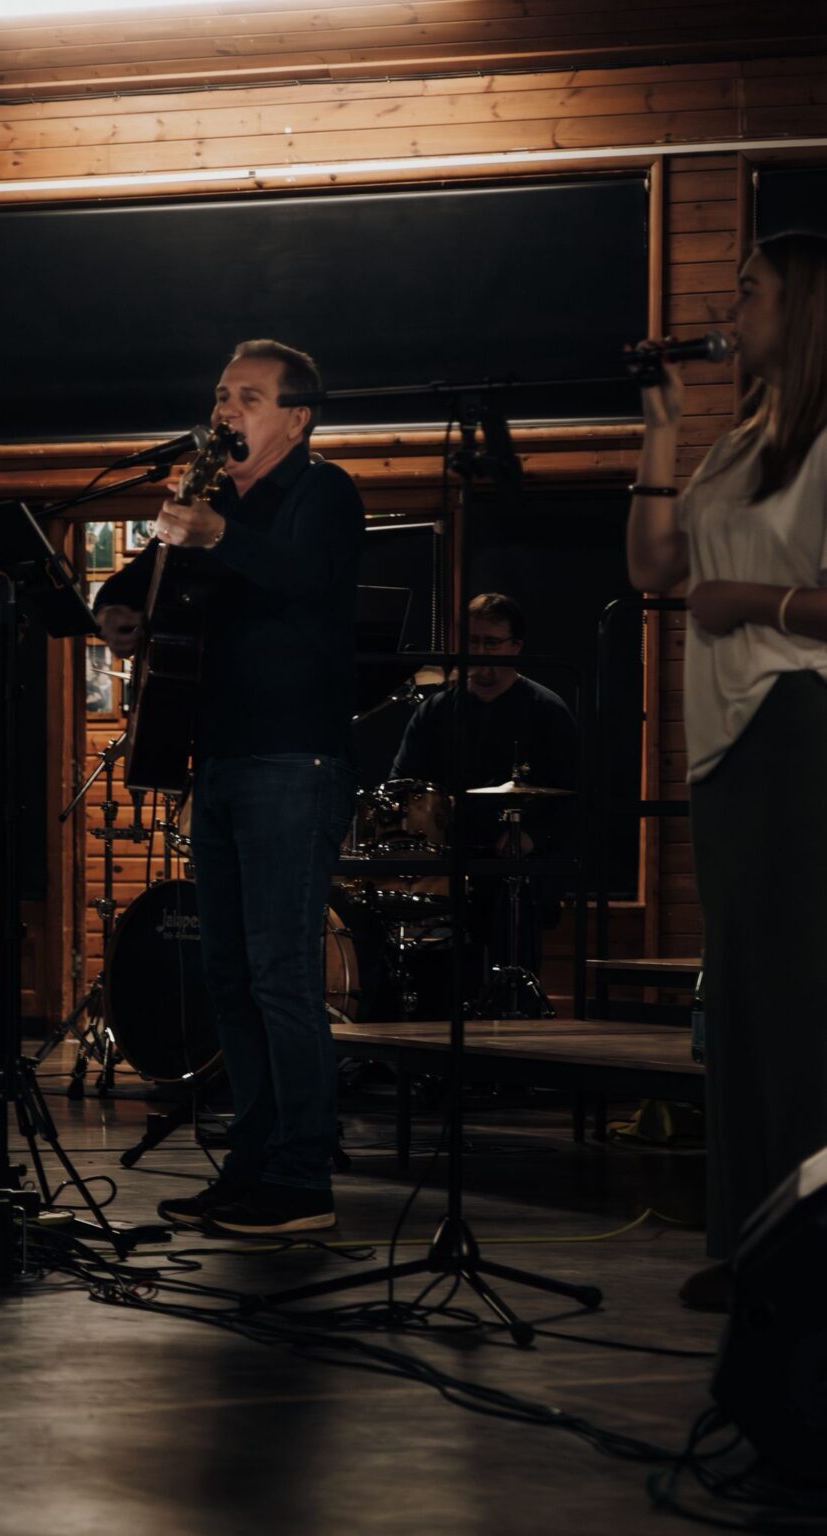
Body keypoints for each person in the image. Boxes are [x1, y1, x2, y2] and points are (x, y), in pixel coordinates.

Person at [96, 340, 365, 1235]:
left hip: (292, 761)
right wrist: (117, 607)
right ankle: (250, 1164)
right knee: (229, 976)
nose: (224, 410)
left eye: (248, 397)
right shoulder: (208, 500)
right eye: (220, 394)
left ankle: (302, 1178)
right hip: (213, 762)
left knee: (282, 975)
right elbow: (134, 587)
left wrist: (217, 535)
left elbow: (308, 577)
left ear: (296, 417)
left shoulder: (323, 492)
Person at [626, 229, 827, 1311]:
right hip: (726, 735)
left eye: (747, 291)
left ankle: (801, 1247)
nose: (728, 309)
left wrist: (750, 601)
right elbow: (654, 565)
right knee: (741, 999)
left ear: (803, 307)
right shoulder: (739, 439)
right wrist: (660, 429)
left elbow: (745, 594)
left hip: (796, 720)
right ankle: (752, 1239)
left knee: (797, 998)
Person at [390, 592, 576, 981]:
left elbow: (574, 798)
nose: (479, 652)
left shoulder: (546, 710)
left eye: (491, 642)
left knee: (511, 895)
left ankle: (509, 996)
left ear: (516, 646)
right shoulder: (435, 712)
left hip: (518, 862)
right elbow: (400, 787)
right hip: (448, 856)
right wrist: (428, 813)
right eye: (472, 642)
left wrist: (532, 835)